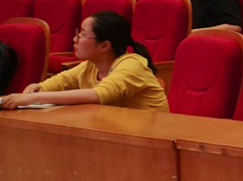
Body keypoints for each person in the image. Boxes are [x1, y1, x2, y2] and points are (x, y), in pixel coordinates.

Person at [0, 11, 166, 111]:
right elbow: (60, 82)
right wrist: (38, 88)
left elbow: (98, 94)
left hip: (153, 136)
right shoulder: (90, 65)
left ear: (105, 46)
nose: (75, 39)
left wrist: (31, 99)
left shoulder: (132, 64)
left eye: (83, 35)